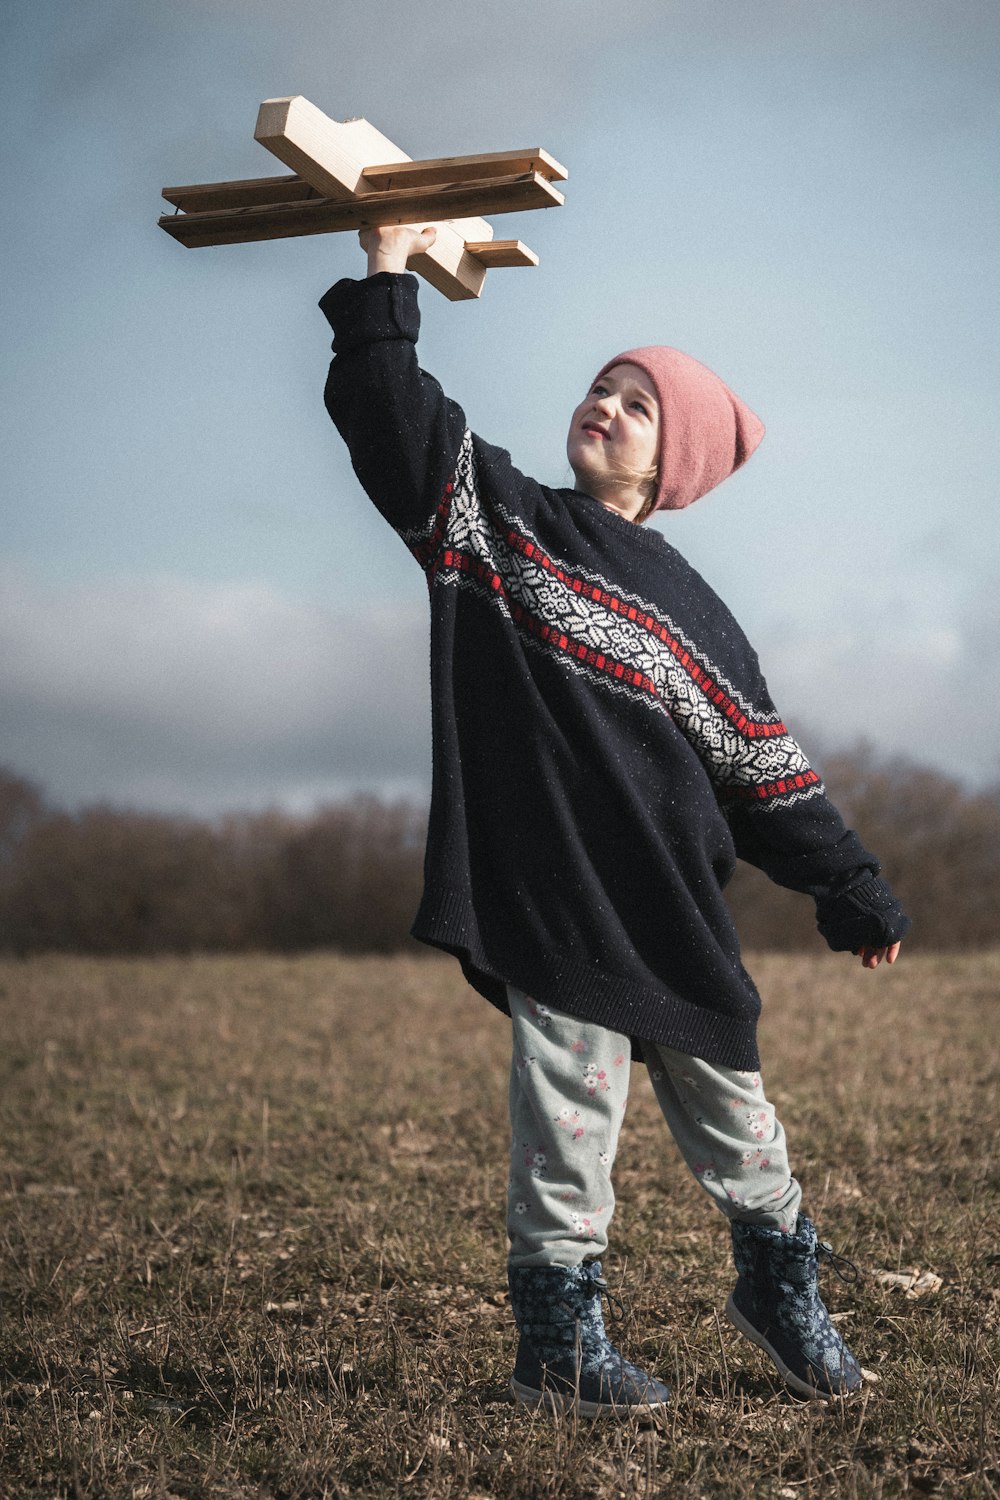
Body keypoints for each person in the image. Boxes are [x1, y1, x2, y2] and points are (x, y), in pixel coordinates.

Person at [319, 223, 911, 1417]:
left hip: (670, 902)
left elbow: (763, 771)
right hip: (552, 888)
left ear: (669, 461)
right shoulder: (502, 519)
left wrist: (849, 883)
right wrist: (387, 277)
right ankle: (560, 1345)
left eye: (638, 406)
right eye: (602, 385)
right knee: (568, 1106)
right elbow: (392, 419)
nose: (606, 405)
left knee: (735, 1110)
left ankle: (779, 1285)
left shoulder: (696, 611)